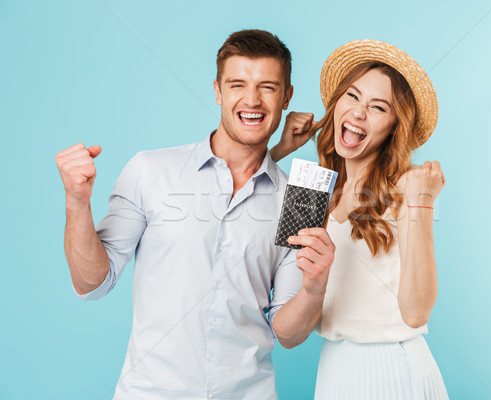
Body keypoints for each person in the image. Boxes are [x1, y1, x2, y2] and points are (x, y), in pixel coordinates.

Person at [55, 29, 335, 400]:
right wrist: (77, 202)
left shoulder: (298, 202)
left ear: (286, 97)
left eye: (267, 87)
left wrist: (314, 290)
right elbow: (93, 282)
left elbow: (288, 333)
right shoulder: (150, 171)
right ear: (218, 91)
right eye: (237, 84)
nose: (252, 100)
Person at [270, 39, 449, 399]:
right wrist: (277, 152)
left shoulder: (408, 188)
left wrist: (422, 204)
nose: (358, 112)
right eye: (352, 96)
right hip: (334, 369)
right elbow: (244, 202)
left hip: (395, 369)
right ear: (336, 104)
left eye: (378, 107)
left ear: (394, 127)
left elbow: (416, 313)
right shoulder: (311, 191)